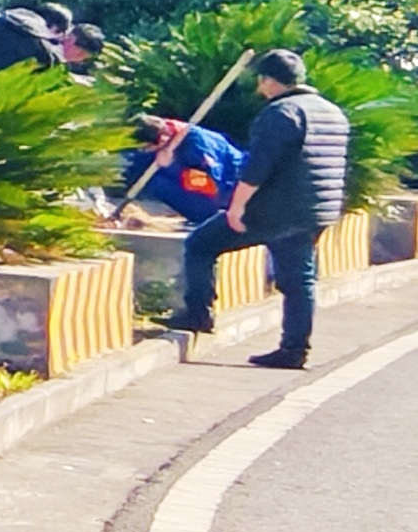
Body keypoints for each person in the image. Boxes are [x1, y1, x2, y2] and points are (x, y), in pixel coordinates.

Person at [163, 49, 351, 370]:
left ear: (270, 81)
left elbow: (257, 168)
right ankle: (294, 349)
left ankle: (198, 314)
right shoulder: (332, 112)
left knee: (200, 244)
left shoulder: (281, 113)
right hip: (315, 210)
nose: (260, 88)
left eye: (262, 81)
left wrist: (237, 207)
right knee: (299, 280)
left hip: (275, 210)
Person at [120, 115, 242, 225]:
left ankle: (204, 218)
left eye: (145, 147)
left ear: (163, 138)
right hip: (214, 187)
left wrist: (172, 167)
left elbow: (210, 185)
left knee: (156, 183)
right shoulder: (160, 137)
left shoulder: (196, 146)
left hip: (227, 192)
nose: (143, 150)